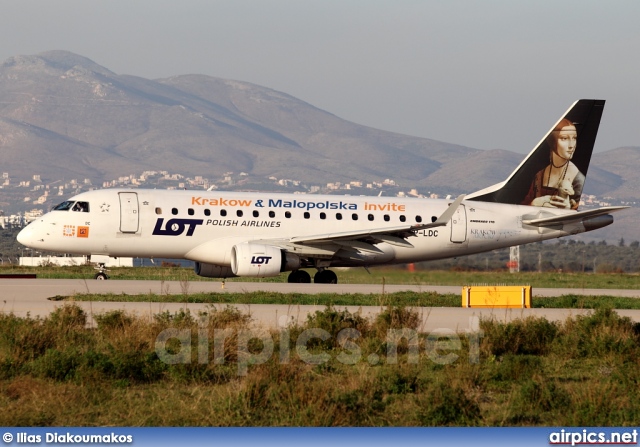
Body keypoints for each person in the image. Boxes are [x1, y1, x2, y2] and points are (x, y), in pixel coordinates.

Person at [522, 118, 584, 209]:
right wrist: (533, 203)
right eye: (564, 138)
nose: (571, 145)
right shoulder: (539, 176)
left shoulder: (578, 180)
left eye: (574, 138)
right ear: (553, 141)